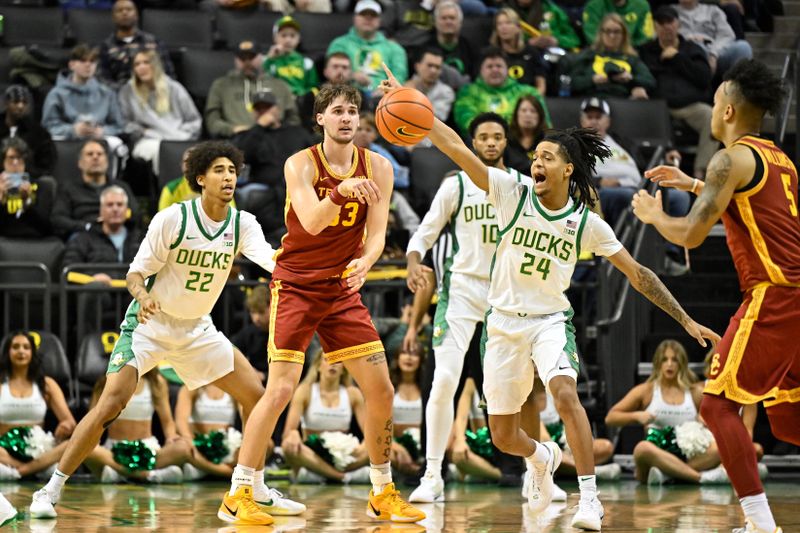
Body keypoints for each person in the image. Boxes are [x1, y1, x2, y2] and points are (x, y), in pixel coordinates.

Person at [382, 63, 718, 531]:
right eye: (534, 156)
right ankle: (542, 455)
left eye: (545, 157)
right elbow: (456, 147)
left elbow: (640, 275)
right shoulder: (511, 192)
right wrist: (412, 102)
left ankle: (589, 499)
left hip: (549, 321)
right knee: (503, 436)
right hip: (500, 322)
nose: (535, 163)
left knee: (564, 392)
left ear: (567, 169)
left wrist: (685, 320)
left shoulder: (586, 224)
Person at [29, 141, 305, 522]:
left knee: (259, 398)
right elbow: (135, 274)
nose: (229, 178)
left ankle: (254, 488)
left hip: (197, 330)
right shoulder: (173, 219)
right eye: (220, 170)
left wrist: (306, 255)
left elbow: (272, 262)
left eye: (232, 171)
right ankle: (51, 489)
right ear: (200, 178)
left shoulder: (243, 224)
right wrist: (143, 297)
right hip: (150, 325)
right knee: (109, 405)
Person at [220, 83, 425, 526]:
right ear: (321, 120)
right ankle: (238, 492)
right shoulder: (300, 164)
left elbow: (376, 236)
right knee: (278, 390)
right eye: (337, 111)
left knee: (381, 389)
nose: (347, 118)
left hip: (341, 291)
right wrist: (340, 191)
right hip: (295, 285)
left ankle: (382, 489)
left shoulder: (380, 168)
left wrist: (367, 263)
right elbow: (311, 224)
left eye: (353, 111)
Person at [631, 58, 797, 533]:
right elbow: (751, 203)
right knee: (787, 424)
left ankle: (760, 522)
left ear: (726, 109)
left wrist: (652, 216)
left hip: (773, 296)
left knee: (716, 406)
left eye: (717, 98)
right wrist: (695, 184)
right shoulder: (777, 158)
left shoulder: (730, 158)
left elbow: (689, 234)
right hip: (795, 298)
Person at [405, 112, 530, 503]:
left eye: (497, 137)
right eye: (483, 137)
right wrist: (413, 259)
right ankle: (432, 474)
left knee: (515, 391)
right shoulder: (456, 184)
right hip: (461, 292)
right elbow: (425, 230)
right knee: (443, 380)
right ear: (473, 144)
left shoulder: (523, 185)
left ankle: (534, 471)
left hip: (506, 297)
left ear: (505, 142)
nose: (490, 143)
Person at [605, 339, 730, 485]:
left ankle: (668, 475)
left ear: (681, 363)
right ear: (658, 363)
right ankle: (699, 478)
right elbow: (611, 418)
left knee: (722, 446)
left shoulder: (694, 392)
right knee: (642, 448)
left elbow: (715, 417)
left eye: (674, 360)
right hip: (657, 455)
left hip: (688, 454)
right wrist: (636, 416)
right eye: (665, 359)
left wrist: (705, 420)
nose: (669, 364)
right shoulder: (646, 390)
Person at [638, 6, 718, 180]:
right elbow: (641, 75)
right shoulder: (646, 51)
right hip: (659, 106)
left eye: (670, 22)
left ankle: (702, 173)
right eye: (662, 23)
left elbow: (704, 78)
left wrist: (677, 57)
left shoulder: (692, 49)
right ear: (655, 27)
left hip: (690, 105)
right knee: (647, 110)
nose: (667, 26)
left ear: (678, 24)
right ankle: (658, 174)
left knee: (711, 117)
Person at [81, 370, 189, 484]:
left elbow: (167, 421)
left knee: (183, 448)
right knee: (85, 448)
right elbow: (92, 419)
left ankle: (119, 473)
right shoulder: (107, 380)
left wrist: (171, 437)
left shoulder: (156, 381)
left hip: (148, 450)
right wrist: (93, 442)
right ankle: (149, 475)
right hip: (113, 451)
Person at [281, 355, 371, 484]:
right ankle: (342, 477)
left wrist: (365, 445)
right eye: (327, 359)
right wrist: (293, 434)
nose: (333, 364)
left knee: (379, 445)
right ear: (318, 366)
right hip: (313, 455)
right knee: (287, 445)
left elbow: (369, 431)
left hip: (346, 456)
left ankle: (325, 474)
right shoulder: (305, 390)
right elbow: (288, 431)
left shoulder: (353, 393)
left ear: (344, 369)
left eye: (338, 361)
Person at [0, 332, 76, 481]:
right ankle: (31, 470)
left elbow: (70, 422)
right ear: (7, 352)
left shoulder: (47, 384)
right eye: (15, 347)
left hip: (40, 453)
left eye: (26, 347)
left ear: (32, 353)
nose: (21, 351)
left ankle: (21, 471)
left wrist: (65, 426)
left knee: (72, 443)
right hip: (4, 454)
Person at [118, 50, 201, 172]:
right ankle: (166, 188)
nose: (141, 67)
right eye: (137, 64)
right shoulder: (127, 92)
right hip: (148, 139)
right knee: (161, 152)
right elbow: (124, 122)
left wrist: (182, 135)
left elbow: (193, 120)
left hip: (179, 137)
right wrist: (144, 131)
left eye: (146, 62)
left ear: (156, 65)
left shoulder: (174, 88)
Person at [205, 41, 299, 139]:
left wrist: (279, 129)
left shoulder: (280, 85)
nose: (247, 62)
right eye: (242, 58)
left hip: (275, 139)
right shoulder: (221, 85)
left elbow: (293, 120)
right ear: (235, 60)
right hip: (237, 138)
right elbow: (212, 121)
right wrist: (232, 129)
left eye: (251, 57)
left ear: (261, 57)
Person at [51, 139, 139, 239]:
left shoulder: (121, 187)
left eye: (100, 154)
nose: (95, 157)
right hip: (83, 234)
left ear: (107, 161)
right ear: (80, 162)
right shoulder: (67, 188)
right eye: (90, 154)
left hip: (118, 232)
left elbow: (134, 214)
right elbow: (58, 219)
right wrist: (87, 226)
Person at [453, 47, 550, 137]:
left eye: (499, 66)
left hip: (520, 144)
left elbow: (544, 125)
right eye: (489, 67)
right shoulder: (468, 92)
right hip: (480, 144)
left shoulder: (529, 93)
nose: (495, 70)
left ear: (507, 70)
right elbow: (465, 120)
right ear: (481, 71)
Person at [41, 44, 126, 147]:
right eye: (83, 61)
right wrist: (73, 130)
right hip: (68, 143)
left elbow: (118, 126)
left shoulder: (107, 93)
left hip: (99, 143)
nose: (88, 65)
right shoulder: (56, 94)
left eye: (92, 62)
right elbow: (48, 126)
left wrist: (102, 131)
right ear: (71, 65)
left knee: (116, 143)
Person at [326, 0, 409, 95]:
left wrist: (385, 90)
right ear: (355, 18)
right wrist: (352, 76)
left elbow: (399, 78)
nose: (368, 18)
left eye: (373, 15)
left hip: (384, 97)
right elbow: (332, 73)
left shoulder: (395, 49)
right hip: (346, 94)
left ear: (380, 20)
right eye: (363, 14)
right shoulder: (339, 44)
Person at [566, 13, 656, 99]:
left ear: (623, 35)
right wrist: (592, 80)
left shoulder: (632, 58)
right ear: (601, 34)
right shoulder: (588, 55)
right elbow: (571, 82)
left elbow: (650, 81)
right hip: (593, 100)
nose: (612, 36)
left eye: (616, 32)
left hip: (623, 101)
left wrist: (631, 79)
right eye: (607, 31)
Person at [62, 186, 141, 282]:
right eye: (109, 205)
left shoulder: (140, 239)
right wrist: (92, 278)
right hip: (97, 292)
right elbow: (68, 269)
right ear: (101, 211)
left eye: (120, 205)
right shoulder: (83, 239)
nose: (115, 209)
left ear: (127, 210)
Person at [98, 0, 175, 89]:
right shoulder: (106, 46)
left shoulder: (153, 42)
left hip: (152, 92)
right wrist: (123, 92)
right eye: (119, 10)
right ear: (113, 17)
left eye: (129, 9)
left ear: (137, 15)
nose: (124, 13)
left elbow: (168, 72)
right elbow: (102, 78)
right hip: (119, 94)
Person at [175, 382, 243, 481]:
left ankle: (205, 470)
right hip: (199, 447)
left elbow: (247, 417)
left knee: (267, 444)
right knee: (183, 448)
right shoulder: (190, 387)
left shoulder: (234, 387)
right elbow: (180, 421)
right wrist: (189, 440)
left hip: (227, 450)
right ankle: (230, 473)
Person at [675, 0, 753, 78]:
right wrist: (688, 39)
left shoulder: (713, 10)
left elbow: (727, 35)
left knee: (743, 47)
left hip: (714, 49)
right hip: (687, 52)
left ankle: (737, 87)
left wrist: (713, 53)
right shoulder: (671, 12)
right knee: (696, 48)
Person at [0, 137, 56, 239]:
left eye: (19, 157)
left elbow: (47, 228)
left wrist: (27, 203)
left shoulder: (41, 186)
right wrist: (1, 199)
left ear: (25, 160)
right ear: (3, 161)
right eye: (11, 158)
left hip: (34, 238)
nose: (15, 163)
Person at [0, 85, 56, 178]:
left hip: (30, 178)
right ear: (6, 103)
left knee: (47, 183)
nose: (20, 106)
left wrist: (29, 174)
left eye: (24, 102)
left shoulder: (38, 132)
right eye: (16, 102)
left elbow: (47, 161)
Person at [490, 8, 548, 94]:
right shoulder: (490, 54)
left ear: (518, 28)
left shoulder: (532, 53)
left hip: (527, 101)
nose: (503, 27)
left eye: (508, 23)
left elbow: (541, 86)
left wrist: (530, 102)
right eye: (499, 24)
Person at [389, 343, 424, 475]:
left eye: (414, 354)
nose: (409, 357)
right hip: (395, 446)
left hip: (423, 446)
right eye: (404, 353)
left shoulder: (427, 388)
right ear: (397, 359)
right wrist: (395, 445)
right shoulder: (389, 386)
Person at [263, 16, 319, 97]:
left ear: (298, 39)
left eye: (292, 36)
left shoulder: (307, 63)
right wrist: (270, 58)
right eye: (283, 35)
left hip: (300, 101)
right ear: (275, 38)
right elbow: (261, 81)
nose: (288, 40)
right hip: (277, 100)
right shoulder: (268, 60)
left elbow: (313, 87)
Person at [582, 0, 655, 47]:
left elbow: (646, 37)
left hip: (633, 51)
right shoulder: (593, 6)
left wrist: (626, 47)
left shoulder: (642, 5)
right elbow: (591, 37)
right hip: (600, 52)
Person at [506, 95, 547, 174]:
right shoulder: (505, 140)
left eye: (533, 111)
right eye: (523, 110)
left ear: (540, 116)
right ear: (516, 115)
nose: (528, 115)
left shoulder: (548, 141)